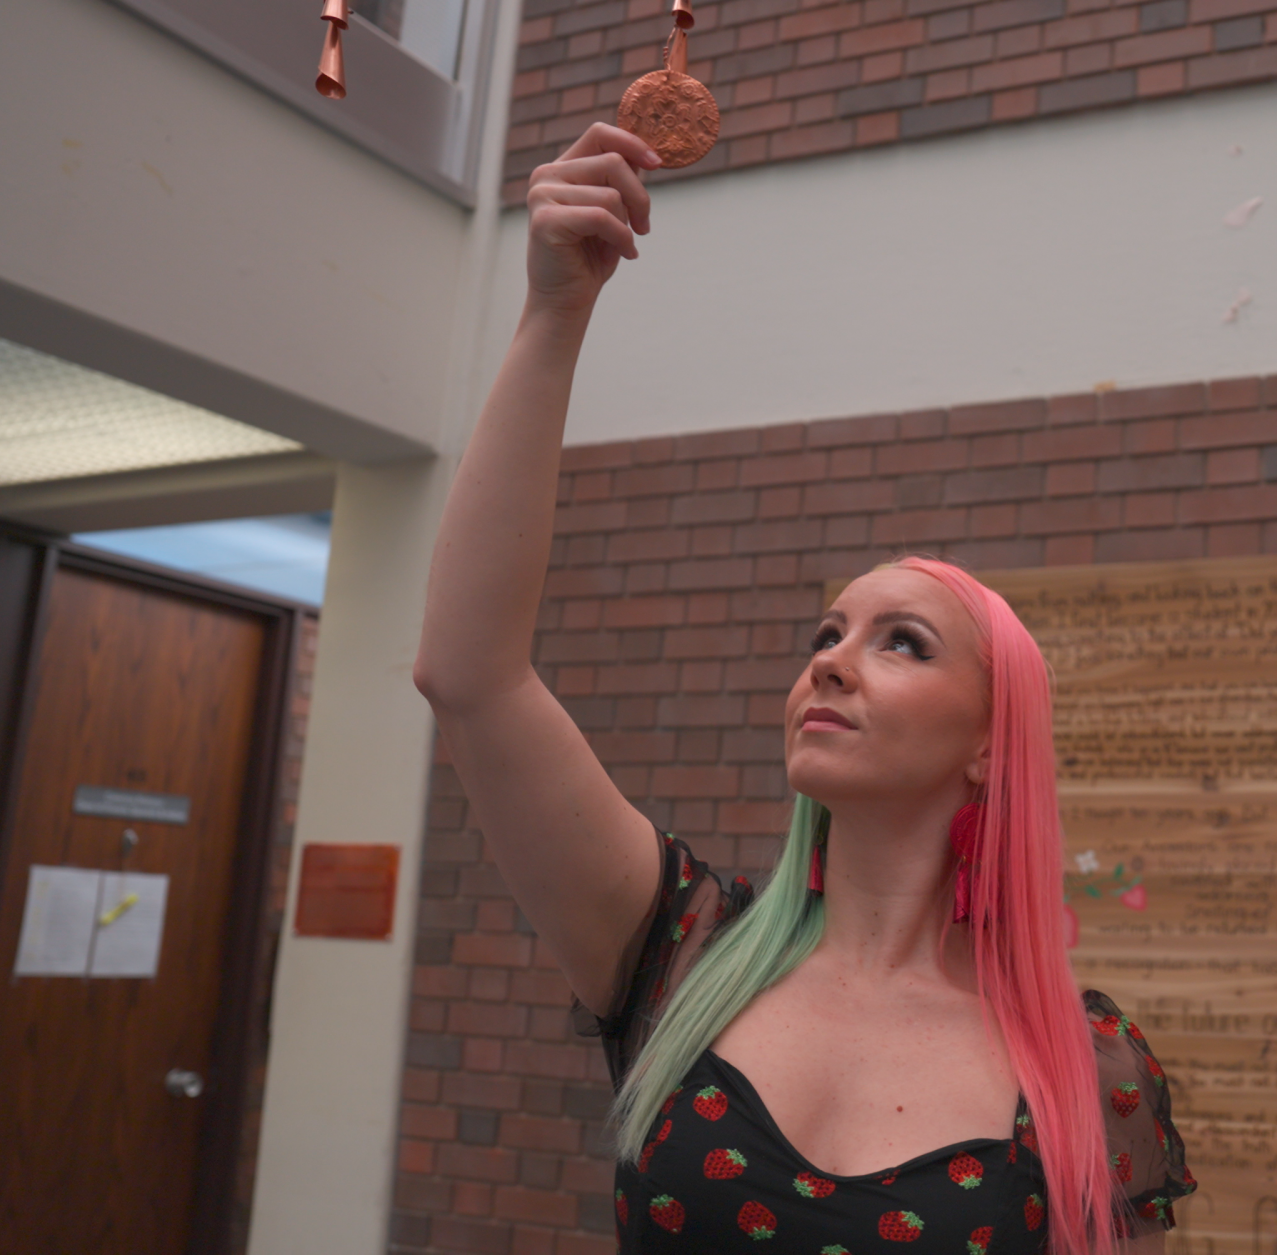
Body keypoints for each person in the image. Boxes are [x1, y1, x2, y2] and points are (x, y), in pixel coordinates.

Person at [413, 123, 1195, 1254]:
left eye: (903, 643)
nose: (829, 660)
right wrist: (553, 315)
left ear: (992, 742)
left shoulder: (1090, 1070)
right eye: (828, 633)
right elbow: (469, 673)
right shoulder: (681, 950)